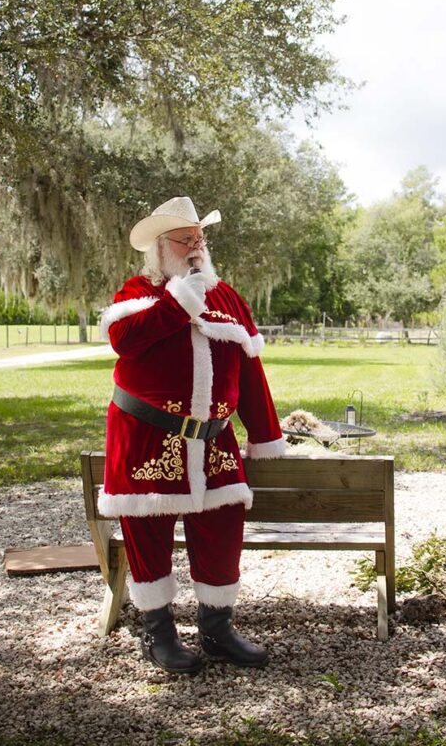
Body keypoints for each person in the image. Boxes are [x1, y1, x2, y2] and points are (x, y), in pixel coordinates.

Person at [99, 195, 286, 675]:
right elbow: (125, 341)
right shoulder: (137, 293)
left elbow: (250, 372)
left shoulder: (227, 298)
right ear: (162, 247)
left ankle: (217, 628)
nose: (196, 247)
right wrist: (181, 299)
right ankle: (158, 631)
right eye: (186, 239)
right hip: (147, 436)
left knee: (222, 528)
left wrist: (265, 435)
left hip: (215, 442)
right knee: (149, 531)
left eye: (200, 238)